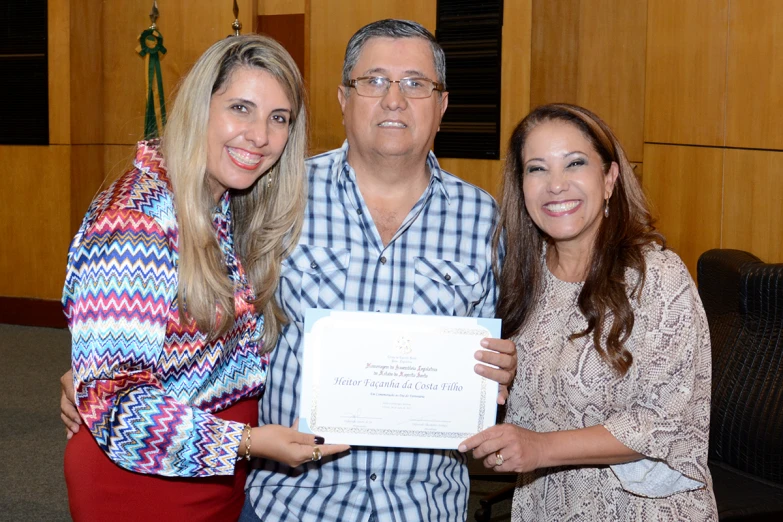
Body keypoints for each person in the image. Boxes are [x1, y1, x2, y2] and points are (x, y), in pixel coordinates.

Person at [61, 20, 517, 521]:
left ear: (443, 104)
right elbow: (133, 321)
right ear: (344, 98)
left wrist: (499, 375)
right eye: (374, 80)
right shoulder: (273, 195)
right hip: (290, 501)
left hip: (421, 504)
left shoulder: (485, 220)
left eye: (415, 83)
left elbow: (219, 316)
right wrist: (99, 373)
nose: (394, 100)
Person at [61, 35, 348, 522]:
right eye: (241, 108)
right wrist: (250, 442)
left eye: (279, 118)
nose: (260, 135)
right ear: (200, 107)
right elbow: (115, 403)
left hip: (215, 475)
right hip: (140, 488)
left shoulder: (224, 204)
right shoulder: (135, 219)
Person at [459, 103, 718, 520]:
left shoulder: (657, 277)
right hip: (545, 504)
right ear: (521, 185)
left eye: (574, 163)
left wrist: (541, 447)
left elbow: (664, 422)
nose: (556, 185)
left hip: (639, 510)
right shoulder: (520, 276)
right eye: (537, 169)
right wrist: (494, 382)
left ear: (610, 178)